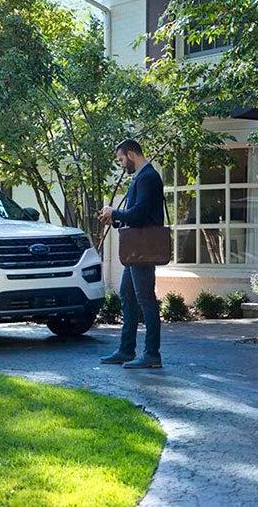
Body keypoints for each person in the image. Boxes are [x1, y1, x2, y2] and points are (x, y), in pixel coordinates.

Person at [98, 139, 164, 369]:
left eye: (121, 159)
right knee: (127, 296)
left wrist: (115, 211)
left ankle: (152, 354)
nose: (121, 163)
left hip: (143, 251)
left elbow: (138, 215)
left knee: (146, 300)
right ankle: (126, 350)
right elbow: (135, 215)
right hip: (135, 250)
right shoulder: (141, 177)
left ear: (131, 154)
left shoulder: (148, 178)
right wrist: (114, 218)